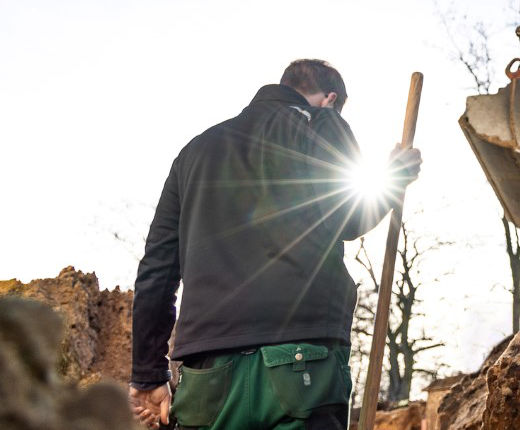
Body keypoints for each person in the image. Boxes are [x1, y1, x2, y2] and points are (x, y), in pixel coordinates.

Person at [127, 59, 421, 429]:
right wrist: (395, 177)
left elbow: (156, 272)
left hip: (207, 377)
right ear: (330, 99)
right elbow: (349, 218)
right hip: (302, 366)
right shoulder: (319, 123)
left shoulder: (194, 153)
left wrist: (147, 375)